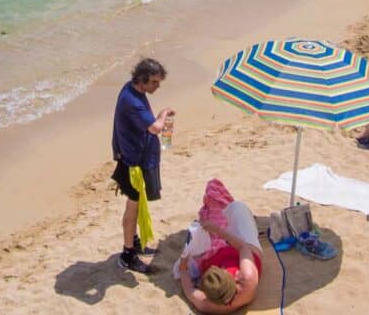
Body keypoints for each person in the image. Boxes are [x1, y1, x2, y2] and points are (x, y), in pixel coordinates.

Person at [113, 58, 174, 273]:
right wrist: (164, 114)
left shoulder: (133, 91)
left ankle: (135, 242)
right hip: (133, 164)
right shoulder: (132, 101)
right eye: (155, 82)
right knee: (133, 207)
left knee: (138, 205)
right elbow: (155, 128)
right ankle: (127, 254)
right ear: (143, 79)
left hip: (136, 157)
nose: (157, 86)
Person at [178, 182, 263, 314]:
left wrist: (183, 264)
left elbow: (187, 285)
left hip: (213, 253)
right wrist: (219, 231)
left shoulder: (205, 304)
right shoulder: (247, 279)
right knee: (237, 207)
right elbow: (243, 247)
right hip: (242, 248)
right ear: (235, 282)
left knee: (212, 196)